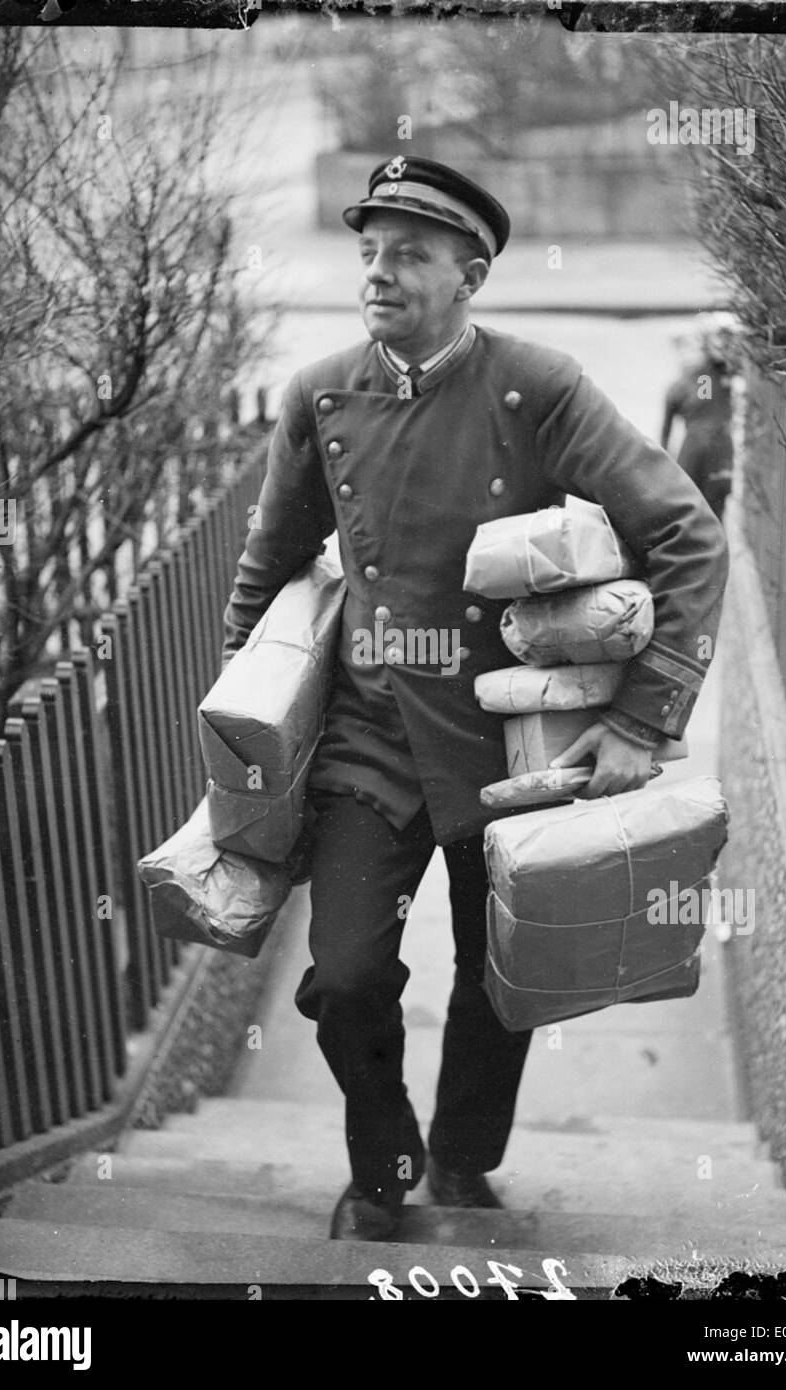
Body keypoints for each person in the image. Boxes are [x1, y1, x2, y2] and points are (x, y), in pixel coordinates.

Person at [220, 156, 729, 1242]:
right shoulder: (318, 393)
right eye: (368, 251)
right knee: (350, 975)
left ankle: (458, 1160)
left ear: (471, 273)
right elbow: (264, 575)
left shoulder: (534, 386)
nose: (379, 272)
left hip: (511, 740)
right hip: (367, 744)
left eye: (408, 255)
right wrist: (241, 745)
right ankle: (382, 1156)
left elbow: (684, 532)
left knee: (503, 979)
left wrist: (642, 718)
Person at [661, 313, 738, 522]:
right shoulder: (682, 387)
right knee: (693, 510)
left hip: (714, 450)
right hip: (699, 452)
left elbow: (707, 395)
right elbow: (665, 438)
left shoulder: (709, 376)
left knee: (710, 510)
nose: (684, 354)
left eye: (689, 347)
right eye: (680, 348)